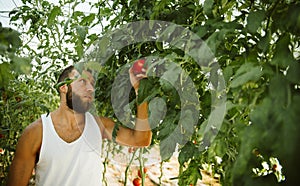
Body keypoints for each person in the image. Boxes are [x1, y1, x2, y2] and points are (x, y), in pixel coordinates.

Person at [6, 65, 152, 186]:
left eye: (92, 84)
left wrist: (140, 90)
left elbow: (141, 139)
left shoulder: (100, 125)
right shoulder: (36, 132)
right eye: (83, 81)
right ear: (63, 87)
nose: (90, 89)